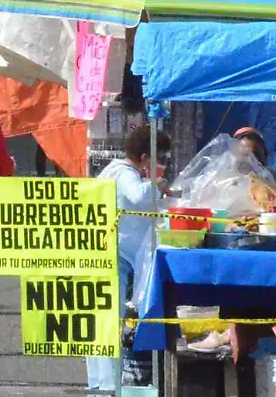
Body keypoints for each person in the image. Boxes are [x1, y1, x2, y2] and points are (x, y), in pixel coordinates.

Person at [86, 126, 171, 393]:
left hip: (111, 255)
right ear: (146, 158)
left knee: (102, 323)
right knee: (109, 322)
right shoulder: (124, 173)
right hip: (111, 257)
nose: (163, 167)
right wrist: (157, 185)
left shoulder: (116, 170)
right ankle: (109, 386)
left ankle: (101, 385)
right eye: (162, 160)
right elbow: (137, 196)